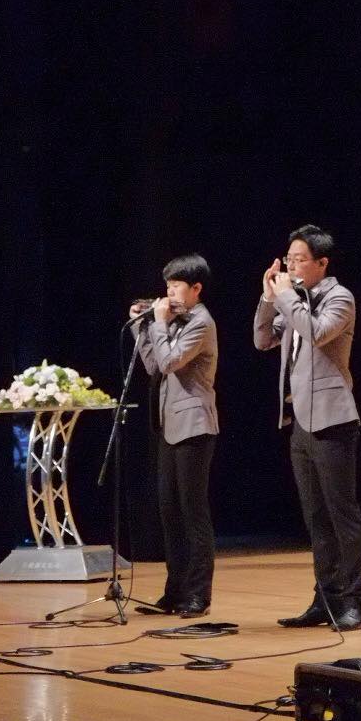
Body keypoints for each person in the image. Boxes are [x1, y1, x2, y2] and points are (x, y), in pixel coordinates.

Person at [253, 224, 361, 631]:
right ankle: (326, 598)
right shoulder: (294, 301)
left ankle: (356, 602)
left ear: (322, 263)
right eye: (289, 259)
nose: (291, 266)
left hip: (333, 419)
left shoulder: (340, 298)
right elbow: (262, 340)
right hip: (300, 421)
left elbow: (317, 332)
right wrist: (269, 298)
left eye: (299, 259)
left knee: (342, 514)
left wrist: (286, 297)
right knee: (316, 517)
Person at [130, 252, 218, 617]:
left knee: (192, 511)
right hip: (170, 426)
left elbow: (170, 362)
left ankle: (198, 595)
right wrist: (141, 327)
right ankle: (174, 591)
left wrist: (159, 323)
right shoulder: (174, 321)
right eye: (167, 286)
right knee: (169, 512)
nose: (169, 293)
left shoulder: (201, 322)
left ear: (196, 288)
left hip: (195, 426)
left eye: (176, 286)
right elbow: (155, 365)